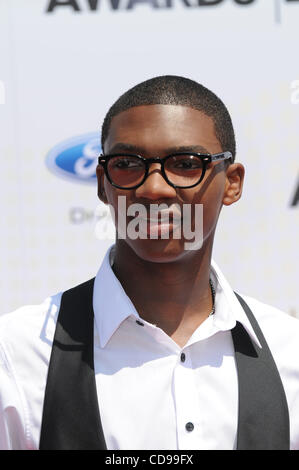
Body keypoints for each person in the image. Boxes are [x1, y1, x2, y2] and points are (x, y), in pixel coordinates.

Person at [0, 75, 299, 451]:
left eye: (186, 163)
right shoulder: (17, 355)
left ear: (232, 183)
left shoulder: (290, 353)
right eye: (127, 163)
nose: (153, 188)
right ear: (102, 184)